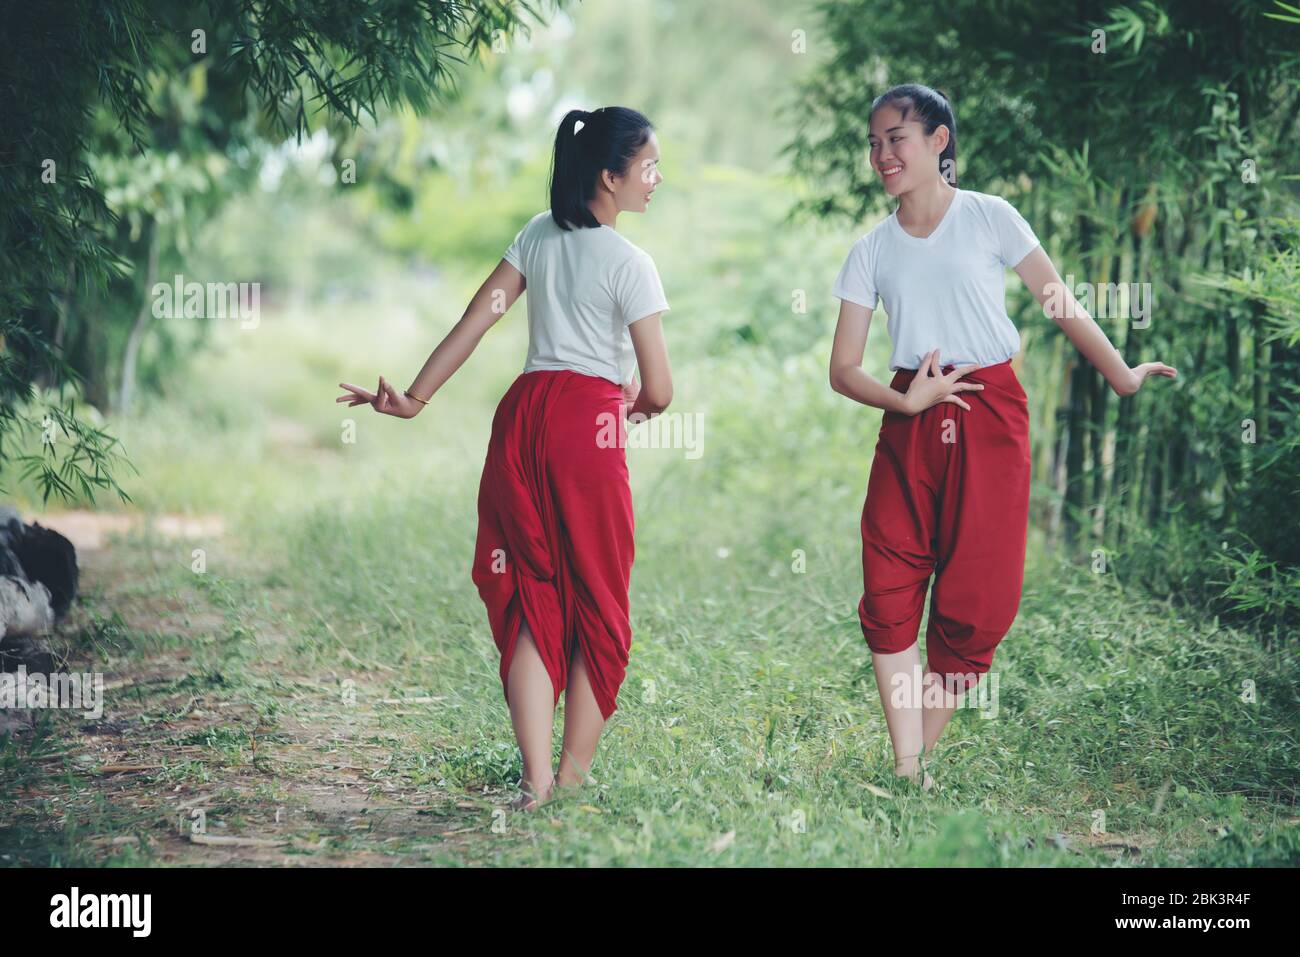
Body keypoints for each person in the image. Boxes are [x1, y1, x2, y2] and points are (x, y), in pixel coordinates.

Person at [827, 83, 1176, 791]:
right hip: (908, 418)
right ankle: (907, 766)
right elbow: (841, 368)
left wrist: (1121, 376)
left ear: (938, 141)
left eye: (895, 137)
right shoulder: (872, 251)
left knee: (979, 593)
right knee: (889, 578)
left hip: (990, 413)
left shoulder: (990, 217)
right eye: (873, 142)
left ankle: (911, 761)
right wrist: (909, 399)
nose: (881, 153)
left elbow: (1059, 302)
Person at [337, 106, 672, 810]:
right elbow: (663, 390)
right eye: (647, 167)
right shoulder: (631, 264)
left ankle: (535, 782)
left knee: (529, 591)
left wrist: (414, 399)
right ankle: (570, 785)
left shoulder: (536, 236)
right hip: (588, 425)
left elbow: (475, 321)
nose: (656, 178)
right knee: (601, 608)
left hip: (521, 419)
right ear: (610, 177)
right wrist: (631, 405)